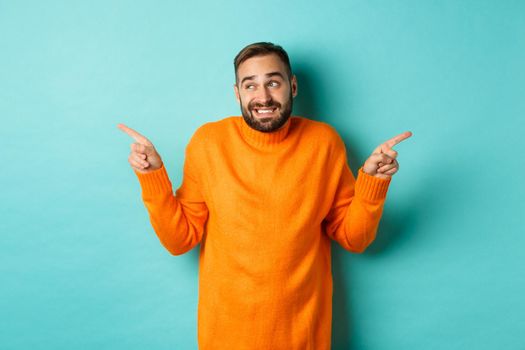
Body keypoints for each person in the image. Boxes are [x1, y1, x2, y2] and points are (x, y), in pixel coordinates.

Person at [118, 42, 412, 350]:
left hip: (304, 337)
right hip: (225, 338)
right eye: (251, 85)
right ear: (237, 94)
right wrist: (152, 176)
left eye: (273, 82)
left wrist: (373, 182)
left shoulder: (324, 143)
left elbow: (355, 238)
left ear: (292, 86)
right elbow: (179, 240)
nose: (263, 97)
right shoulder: (208, 143)